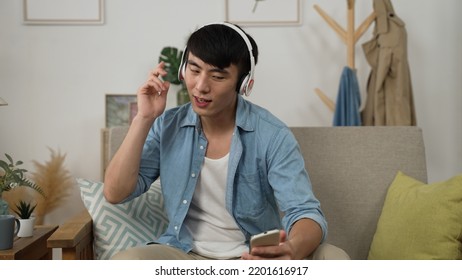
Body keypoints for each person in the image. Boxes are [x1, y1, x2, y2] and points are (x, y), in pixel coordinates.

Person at [104, 22, 343, 260]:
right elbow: (115, 193)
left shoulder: (272, 135)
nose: (200, 86)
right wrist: (144, 118)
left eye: (217, 76)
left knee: (333, 257)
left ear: (244, 84)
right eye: (194, 70)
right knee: (126, 263)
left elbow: (304, 211)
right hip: (185, 253)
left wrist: (291, 249)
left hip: (253, 257)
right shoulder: (167, 125)